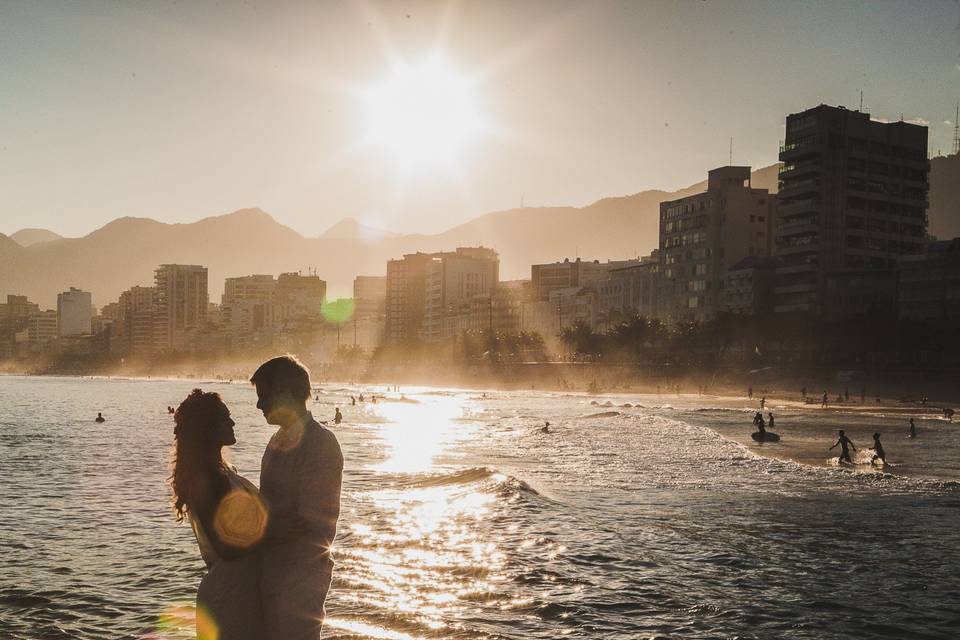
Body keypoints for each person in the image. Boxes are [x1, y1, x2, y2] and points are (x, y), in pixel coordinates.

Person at [251, 356, 344, 639]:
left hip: (301, 576)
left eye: (264, 395)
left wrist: (263, 528)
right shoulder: (277, 440)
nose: (258, 404)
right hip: (272, 571)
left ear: (286, 393)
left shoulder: (320, 443)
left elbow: (311, 524)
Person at [170, 389, 266, 640]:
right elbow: (226, 548)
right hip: (229, 595)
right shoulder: (205, 479)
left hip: (242, 590)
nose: (233, 422)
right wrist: (277, 533)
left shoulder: (224, 471)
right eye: (225, 419)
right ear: (207, 428)